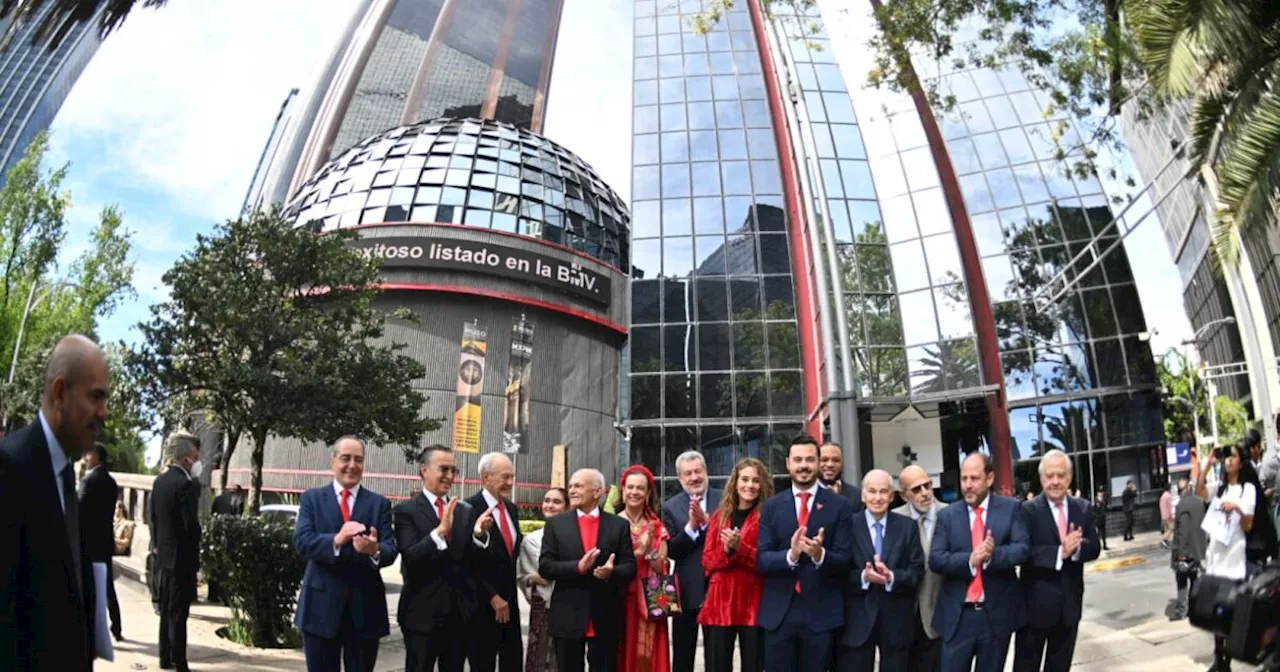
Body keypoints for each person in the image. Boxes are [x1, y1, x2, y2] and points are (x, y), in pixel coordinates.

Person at [0, 335, 107, 671]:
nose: (104, 412)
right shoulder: (9, 468)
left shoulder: (64, 476)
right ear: (59, 393)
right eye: (95, 397)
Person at [293, 437, 398, 672]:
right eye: (346, 458)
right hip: (320, 608)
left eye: (358, 460)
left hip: (364, 610)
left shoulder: (379, 503)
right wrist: (337, 540)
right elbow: (301, 542)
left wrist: (374, 549)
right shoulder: (312, 498)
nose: (352, 465)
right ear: (333, 462)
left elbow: (390, 550)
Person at [757, 434, 854, 672]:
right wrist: (791, 554)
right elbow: (762, 558)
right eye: (798, 459)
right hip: (779, 613)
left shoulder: (839, 505)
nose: (803, 466)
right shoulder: (771, 506)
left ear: (819, 463)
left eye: (810, 459)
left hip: (821, 613)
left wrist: (819, 554)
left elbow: (845, 559)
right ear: (788, 463)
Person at [394, 445, 494, 672]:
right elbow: (410, 557)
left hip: (459, 616)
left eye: (453, 471)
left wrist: (479, 536)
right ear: (424, 470)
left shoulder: (464, 510)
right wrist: (439, 532)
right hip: (421, 616)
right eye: (444, 469)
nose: (450, 476)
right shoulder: (406, 511)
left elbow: (472, 562)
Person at [930, 452, 1029, 672]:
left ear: (990, 479)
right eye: (964, 479)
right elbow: (936, 559)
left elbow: (1022, 549)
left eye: (974, 479)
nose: (967, 485)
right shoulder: (948, 515)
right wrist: (970, 560)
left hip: (995, 617)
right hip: (958, 617)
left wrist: (993, 556)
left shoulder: (1011, 508)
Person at [539, 468, 637, 672]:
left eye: (579, 486)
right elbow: (545, 566)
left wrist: (612, 572)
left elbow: (630, 567)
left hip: (606, 615)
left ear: (597, 491)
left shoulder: (618, 525)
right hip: (568, 614)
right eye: (571, 486)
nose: (572, 490)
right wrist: (577, 567)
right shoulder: (556, 524)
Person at [1012, 450, 1101, 672]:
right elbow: (1024, 552)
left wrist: (1078, 548)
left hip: (1069, 609)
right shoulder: (1027, 511)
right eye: (1049, 476)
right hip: (1034, 611)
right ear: (1041, 479)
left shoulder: (1082, 508)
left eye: (1060, 475)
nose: (1055, 481)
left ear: (1069, 477)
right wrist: (1059, 552)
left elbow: (1095, 547)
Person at [838, 469, 924, 672]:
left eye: (883, 492)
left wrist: (891, 577)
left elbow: (917, 571)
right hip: (857, 621)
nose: (878, 498)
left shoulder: (908, 527)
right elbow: (838, 570)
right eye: (872, 491)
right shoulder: (848, 525)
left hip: (896, 620)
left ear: (892, 496)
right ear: (863, 495)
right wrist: (863, 577)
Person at [700, 457, 772, 672]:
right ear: (735, 482)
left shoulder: (768, 516)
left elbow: (765, 560)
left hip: (753, 599)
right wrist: (727, 550)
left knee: (754, 662)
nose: (750, 485)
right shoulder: (719, 517)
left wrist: (740, 548)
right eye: (745, 479)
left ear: (763, 485)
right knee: (717, 663)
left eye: (755, 481)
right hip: (719, 600)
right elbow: (707, 560)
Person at [1195, 442, 1259, 671]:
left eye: (1232, 457)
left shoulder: (1247, 490)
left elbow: (1249, 524)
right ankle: (1219, 658)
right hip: (1216, 556)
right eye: (1225, 458)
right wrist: (1206, 465)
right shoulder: (1219, 489)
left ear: (1240, 462)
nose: (1228, 461)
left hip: (1234, 557)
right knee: (1214, 611)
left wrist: (1237, 508)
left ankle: (1227, 657)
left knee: (1228, 611)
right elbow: (1199, 491)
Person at [661, 451, 720, 672]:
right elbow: (672, 551)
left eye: (698, 471)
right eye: (688, 473)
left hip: (719, 587)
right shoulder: (670, 507)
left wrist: (707, 524)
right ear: (679, 478)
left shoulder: (724, 499)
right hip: (685, 590)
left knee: (717, 653)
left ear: (706, 472)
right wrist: (691, 529)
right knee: (683, 653)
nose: (694, 477)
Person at [151, 432, 204, 672]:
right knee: (179, 614)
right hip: (182, 559)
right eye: (196, 457)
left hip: (164, 557)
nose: (199, 462)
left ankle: (164, 657)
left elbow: (152, 518)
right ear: (186, 460)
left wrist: (156, 543)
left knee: (166, 611)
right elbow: (189, 526)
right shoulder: (186, 485)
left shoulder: (160, 482)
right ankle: (179, 662)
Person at [466, 453, 523, 672]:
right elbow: (465, 561)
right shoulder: (468, 509)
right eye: (505, 477)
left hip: (511, 605)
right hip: (481, 607)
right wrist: (491, 595)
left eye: (512, 477)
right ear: (486, 477)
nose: (510, 483)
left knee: (512, 662)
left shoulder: (511, 509)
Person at [617, 465, 671, 672]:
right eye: (630, 487)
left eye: (640, 488)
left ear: (648, 493)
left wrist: (650, 551)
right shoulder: (613, 523)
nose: (634, 492)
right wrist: (638, 552)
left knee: (649, 652)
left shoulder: (656, 525)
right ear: (623, 491)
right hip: (622, 595)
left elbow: (661, 567)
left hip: (652, 595)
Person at [894, 465, 947, 672]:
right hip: (905, 618)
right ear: (904, 495)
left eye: (927, 485)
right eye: (916, 489)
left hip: (940, 614)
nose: (925, 493)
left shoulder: (951, 514)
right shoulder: (895, 519)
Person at [519, 487, 569, 672]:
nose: (550, 505)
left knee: (565, 658)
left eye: (556, 502)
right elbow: (539, 576)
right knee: (538, 658)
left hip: (570, 606)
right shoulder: (532, 540)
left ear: (568, 507)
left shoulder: (575, 537)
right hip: (543, 608)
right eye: (547, 501)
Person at [79, 441, 122, 642]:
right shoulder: (111, 482)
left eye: (88, 454)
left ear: (97, 456)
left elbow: (79, 511)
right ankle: (117, 627)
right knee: (107, 587)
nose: (86, 458)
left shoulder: (88, 481)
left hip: (87, 543)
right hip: (104, 542)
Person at [1170, 476, 1205, 621]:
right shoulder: (1199, 502)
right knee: (1195, 581)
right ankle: (1195, 609)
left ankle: (1181, 611)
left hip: (1186, 550)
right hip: (1198, 549)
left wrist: (1180, 552)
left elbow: (1183, 530)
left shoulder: (1182, 505)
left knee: (1182, 582)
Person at [207, 484, 246, 604]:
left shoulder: (218, 499)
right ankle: (226, 598)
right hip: (230, 538)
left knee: (215, 566)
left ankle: (212, 595)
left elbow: (212, 516)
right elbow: (238, 520)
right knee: (227, 568)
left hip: (216, 535)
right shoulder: (238, 500)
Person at [819, 441, 864, 513]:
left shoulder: (856, 495)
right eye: (824, 460)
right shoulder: (806, 494)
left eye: (836, 460)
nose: (830, 464)